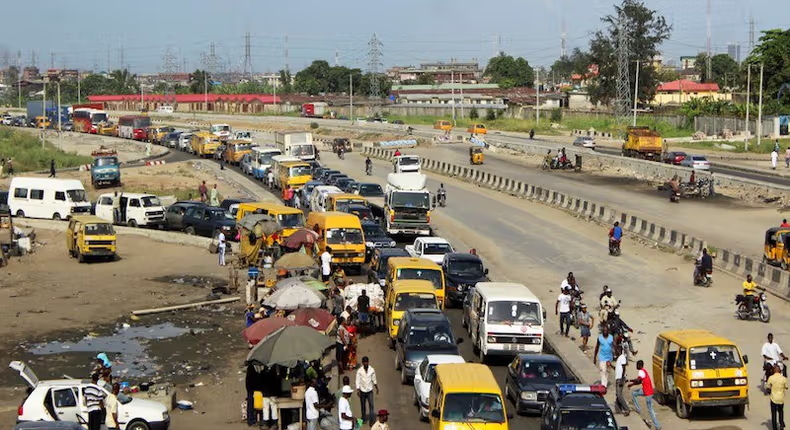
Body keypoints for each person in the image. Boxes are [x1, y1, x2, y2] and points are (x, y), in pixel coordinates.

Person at [629, 360, 661, 430]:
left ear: (640, 366)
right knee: (634, 393)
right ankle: (638, 409)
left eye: (637, 365)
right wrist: (631, 385)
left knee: (650, 410)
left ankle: (657, 426)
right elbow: (639, 382)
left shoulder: (641, 371)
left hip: (648, 393)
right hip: (646, 390)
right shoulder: (643, 371)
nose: (636, 366)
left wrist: (630, 381)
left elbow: (637, 380)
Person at [356, 356, 378, 426]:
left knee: (371, 406)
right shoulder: (359, 371)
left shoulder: (372, 370)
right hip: (362, 391)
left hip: (369, 391)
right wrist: (358, 389)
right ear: (362, 363)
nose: (365, 363)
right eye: (364, 362)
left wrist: (377, 387)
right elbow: (357, 380)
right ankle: (363, 419)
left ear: (368, 362)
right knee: (363, 406)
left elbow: (374, 379)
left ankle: (371, 421)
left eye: (366, 362)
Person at [767, 364, 788, 430]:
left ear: (774, 370)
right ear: (780, 371)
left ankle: (774, 427)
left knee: (774, 413)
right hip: (781, 398)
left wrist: (769, 391)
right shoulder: (783, 378)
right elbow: (786, 387)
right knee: (781, 411)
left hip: (773, 398)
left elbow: (768, 387)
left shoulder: (771, 378)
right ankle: (781, 424)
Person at [614, 346, 630, 416]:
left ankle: (626, 409)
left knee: (619, 395)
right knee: (618, 394)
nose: (616, 351)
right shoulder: (619, 358)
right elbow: (618, 368)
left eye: (617, 350)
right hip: (618, 378)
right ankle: (618, 409)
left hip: (620, 379)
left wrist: (622, 378)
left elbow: (624, 368)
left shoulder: (622, 357)